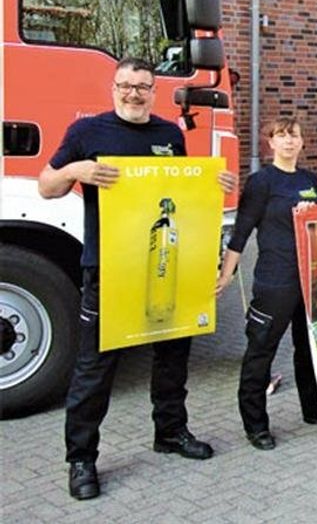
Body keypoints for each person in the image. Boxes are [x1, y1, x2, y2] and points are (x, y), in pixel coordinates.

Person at [38, 57, 236, 501]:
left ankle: (170, 432)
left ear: (153, 91)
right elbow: (45, 185)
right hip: (109, 270)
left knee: (172, 356)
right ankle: (81, 459)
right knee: (95, 367)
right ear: (114, 88)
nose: (133, 93)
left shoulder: (169, 135)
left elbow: (179, 193)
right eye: (126, 86)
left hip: (167, 265)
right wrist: (75, 172)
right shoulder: (87, 133)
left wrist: (212, 184)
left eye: (142, 87)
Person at [216, 117, 317, 450]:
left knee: (308, 351)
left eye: (294, 135)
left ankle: (313, 410)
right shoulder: (262, 181)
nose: (289, 141)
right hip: (274, 282)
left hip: (308, 279)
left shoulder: (310, 180)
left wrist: (313, 212)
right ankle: (255, 425)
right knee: (260, 352)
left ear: (302, 142)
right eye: (281, 136)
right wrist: (226, 274)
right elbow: (241, 231)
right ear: (271, 143)